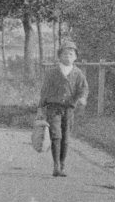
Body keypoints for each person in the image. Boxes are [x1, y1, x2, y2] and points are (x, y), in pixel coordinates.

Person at [37, 40, 89, 177]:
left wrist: (82, 98)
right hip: (53, 108)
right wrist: (41, 109)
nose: (68, 57)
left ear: (75, 57)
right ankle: (56, 166)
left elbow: (83, 89)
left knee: (66, 138)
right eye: (65, 54)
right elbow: (45, 91)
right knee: (56, 135)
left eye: (71, 54)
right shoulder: (52, 72)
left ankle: (63, 164)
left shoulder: (78, 74)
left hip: (69, 109)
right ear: (59, 56)